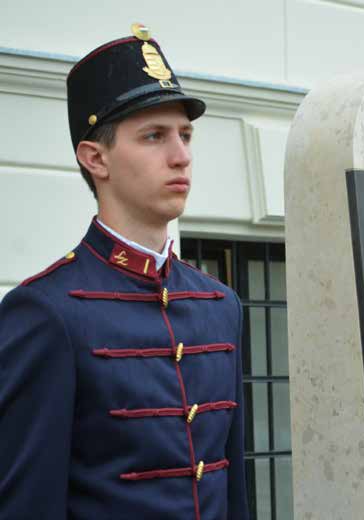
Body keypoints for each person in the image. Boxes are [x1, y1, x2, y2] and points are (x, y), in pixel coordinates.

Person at [0, 24, 249, 519]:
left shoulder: (221, 307)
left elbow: (233, 492)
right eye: (154, 136)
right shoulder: (46, 314)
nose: (181, 156)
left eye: (185, 135)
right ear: (96, 158)